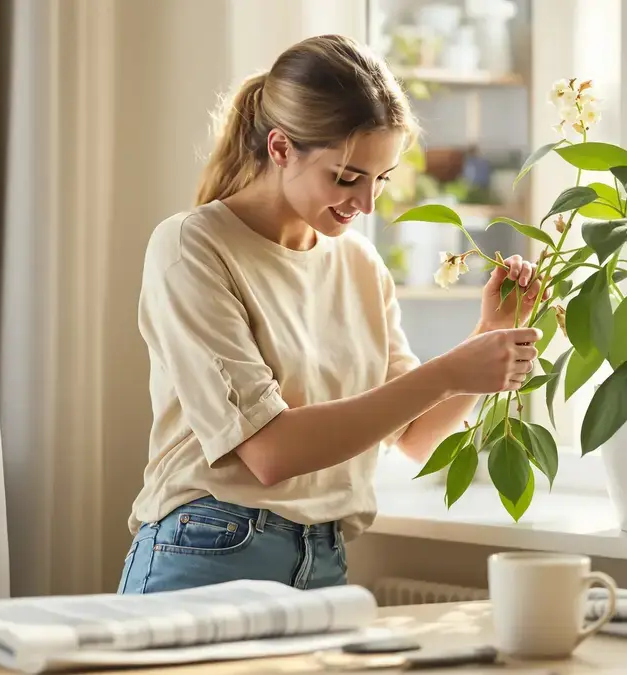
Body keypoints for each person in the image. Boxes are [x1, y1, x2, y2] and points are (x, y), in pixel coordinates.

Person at [118, 34, 543, 595]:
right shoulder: (194, 246)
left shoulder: (360, 264)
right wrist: (449, 371)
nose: (366, 204)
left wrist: (489, 337)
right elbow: (269, 451)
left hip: (325, 562)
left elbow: (415, 437)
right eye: (346, 177)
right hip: (208, 551)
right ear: (279, 148)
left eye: (381, 178)